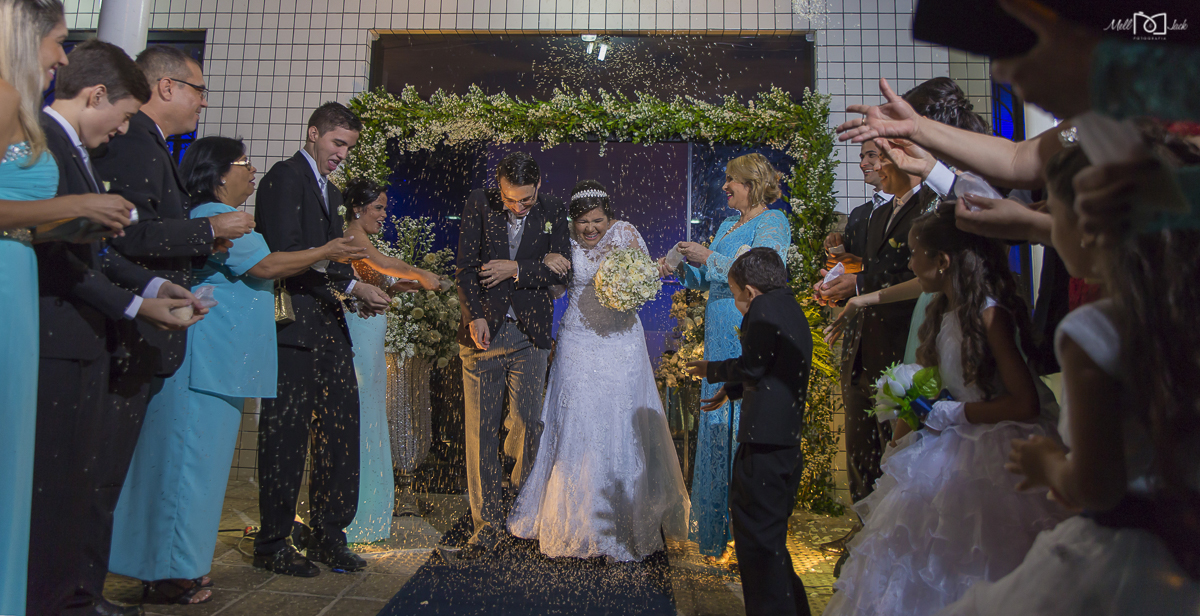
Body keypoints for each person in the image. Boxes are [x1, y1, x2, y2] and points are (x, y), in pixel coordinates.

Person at [936, 126, 1200, 616]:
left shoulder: (1094, 332)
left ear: (1087, 230)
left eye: (1051, 214)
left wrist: (1049, 465)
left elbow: (1097, 486)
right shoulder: (1185, 323)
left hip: (1132, 557)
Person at [108, 136, 367, 602]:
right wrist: (325, 250)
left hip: (219, 363)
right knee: (188, 470)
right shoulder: (213, 217)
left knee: (196, 473)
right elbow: (267, 267)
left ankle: (179, 567)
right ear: (217, 172)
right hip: (206, 361)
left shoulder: (219, 218)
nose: (251, 171)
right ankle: (171, 572)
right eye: (243, 163)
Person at [30, 39, 209, 616]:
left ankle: (77, 593)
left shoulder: (80, 146)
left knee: (85, 479)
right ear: (98, 95)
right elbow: (69, 254)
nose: (122, 130)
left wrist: (152, 290)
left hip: (88, 330)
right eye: (124, 115)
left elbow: (99, 250)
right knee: (65, 483)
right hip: (60, 333)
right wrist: (137, 306)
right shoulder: (51, 140)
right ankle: (62, 596)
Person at [824, 202, 1068, 616]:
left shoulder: (991, 315)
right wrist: (898, 440)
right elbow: (928, 381)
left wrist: (954, 414)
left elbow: (1025, 403)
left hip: (995, 450)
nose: (910, 264)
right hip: (949, 440)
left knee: (975, 557)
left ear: (943, 261)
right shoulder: (940, 311)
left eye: (915, 254)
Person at [508, 179, 689, 562]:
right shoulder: (563, 240)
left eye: (597, 221)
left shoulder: (625, 234)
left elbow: (648, 275)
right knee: (576, 420)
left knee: (620, 420)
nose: (590, 228)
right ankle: (572, 519)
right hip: (578, 341)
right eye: (583, 222)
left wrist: (664, 265)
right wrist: (547, 267)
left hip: (622, 343)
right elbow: (557, 289)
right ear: (572, 221)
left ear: (610, 217)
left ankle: (622, 519)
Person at [253, 102, 390, 577]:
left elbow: (334, 265)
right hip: (292, 330)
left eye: (348, 148)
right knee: (286, 437)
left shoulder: (330, 191)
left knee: (341, 432)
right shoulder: (283, 178)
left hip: (330, 329)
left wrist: (358, 291)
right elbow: (283, 252)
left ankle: (330, 535)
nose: (341, 155)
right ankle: (272, 542)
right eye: (337, 143)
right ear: (313, 133)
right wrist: (344, 275)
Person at [657, 152, 791, 561]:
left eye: (731, 179)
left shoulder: (773, 222)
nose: (725, 186)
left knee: (741, 427)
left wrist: (709, 257)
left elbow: (765, 273)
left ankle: (744, 533)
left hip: (746, 331)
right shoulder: (725, 225)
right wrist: (683, 267)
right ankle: (718, 532)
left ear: (751, 183)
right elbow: (707, 279)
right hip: (717, 335)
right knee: (717, 426)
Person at [453, 151, 571, 558]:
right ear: (498, 188)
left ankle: (521, 511)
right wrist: (475, 316)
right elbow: (465, 267)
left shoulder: (554, 209)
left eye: (526, 199)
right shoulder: (479, 202)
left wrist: (515, 268)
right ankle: (486, 526)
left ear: (538, 186)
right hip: (483, 332)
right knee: (480, 433)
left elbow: (563, 272)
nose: (518, 207)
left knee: (526, 423)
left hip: (530, 334)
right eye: (509, 199)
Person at [685, 247, 814, 616]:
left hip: (762, 445)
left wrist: (711, 370)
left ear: (750, 291)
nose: (737, 306)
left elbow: (753, 365)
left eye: (734, 295)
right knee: (770, 544)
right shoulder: (789, 306)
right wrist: (733, 390)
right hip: (784, 444)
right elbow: (775, 366)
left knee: (756, 546)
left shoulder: (762, 308)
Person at [819, 140, 938, 503]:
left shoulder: (931, 206)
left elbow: (919, 276)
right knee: (861, 449)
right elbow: (866, 269)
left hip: (902, 343)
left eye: (877, 157)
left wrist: (859, 286)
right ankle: (862, 524)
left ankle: (890, 524)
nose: (870, 165)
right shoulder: (876, 213)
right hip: (861, 345)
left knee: (897, 451)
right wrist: (838, 283)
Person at [339, 177, 440, 543]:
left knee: (372, 413)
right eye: (378, 208)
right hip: (359, 335)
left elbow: (373, 276)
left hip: (371, 334)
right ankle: (358, 512)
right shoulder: (352, 237)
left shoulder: (360, 240)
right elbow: (383, 262)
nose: (384, 214)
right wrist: (419, 273)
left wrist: (392, 286)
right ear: (358, 208)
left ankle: (369, 511)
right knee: (364, 414)